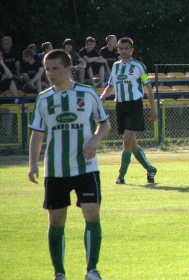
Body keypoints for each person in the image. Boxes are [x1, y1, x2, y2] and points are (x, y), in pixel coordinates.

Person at [28, 49, 110, 280]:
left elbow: (104, 124)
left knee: (92, 213)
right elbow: (37, 133)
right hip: (55, 169)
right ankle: (59, 273)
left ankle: (92, 270)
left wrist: (94, 139)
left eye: (55, 68)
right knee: (56, 220)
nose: (50, 73)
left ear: (68, 68)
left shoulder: (87, 93)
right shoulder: (43, 98)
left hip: (86, 167)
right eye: (47, 69)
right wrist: (33, 164)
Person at [100, 37, 158, 184]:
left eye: (127, 48)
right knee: (132, 144)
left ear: (132, 50)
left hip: (134, 105)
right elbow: (111, 85)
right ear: (118, 50)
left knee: (126, 141)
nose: (124, 51)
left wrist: (153, 109)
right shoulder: (115, 66)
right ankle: (150, 169)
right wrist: (102, 97)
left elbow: (148, 87)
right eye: (121, 48)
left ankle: (121, 176)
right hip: (120, 106)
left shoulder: (139, 66)